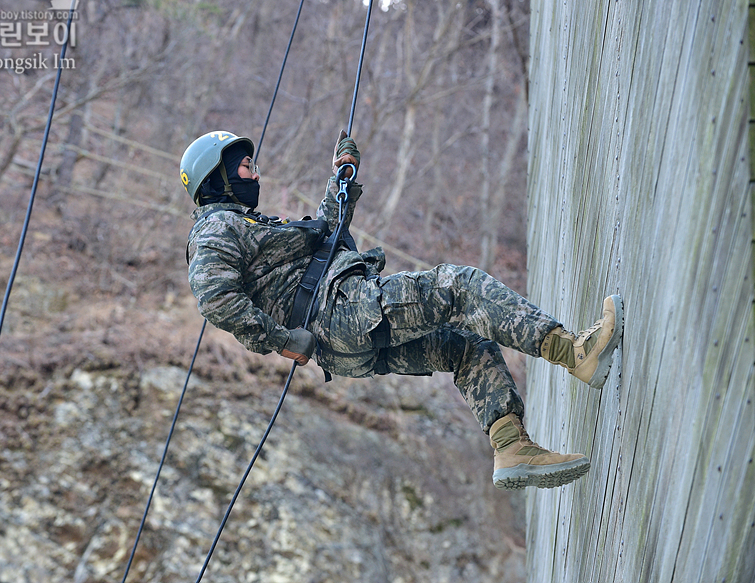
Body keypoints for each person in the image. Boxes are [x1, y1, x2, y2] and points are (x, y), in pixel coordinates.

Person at [181, 130, 624, 490]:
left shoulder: (248, 227)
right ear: (216, 178)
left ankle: (511, 446)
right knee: (460, 287)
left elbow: (326, 239)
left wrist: (342, 180)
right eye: (245, 166)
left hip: (341, 344)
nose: (254, 174)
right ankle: (576, 352)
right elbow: (214, 296)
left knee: (464, 347)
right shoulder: (217, 228)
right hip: (341, 312)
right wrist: (281, 341)